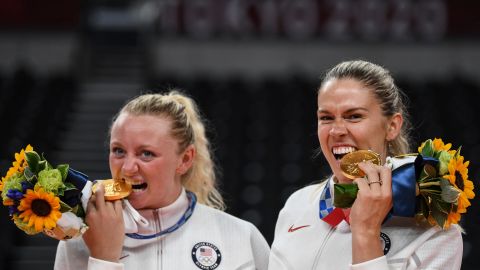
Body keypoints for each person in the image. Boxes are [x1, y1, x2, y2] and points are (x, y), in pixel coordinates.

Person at [268, 60, 463, 269]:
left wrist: (366, 232)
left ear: (392, 126)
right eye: (326, 118)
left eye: (354, 116)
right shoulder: (297, 205)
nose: (336, 130)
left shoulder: (435, 235)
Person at [54, 91, 270, 270]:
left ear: (184, 160)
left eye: (146, 153)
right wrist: (104, 259)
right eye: (118, 151)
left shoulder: (240, 237)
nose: (127, 168)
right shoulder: (78, 240)